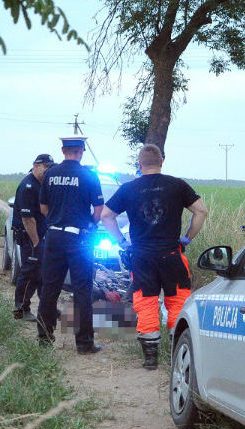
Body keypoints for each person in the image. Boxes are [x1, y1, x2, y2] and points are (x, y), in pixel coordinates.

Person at [101, 144, 208, 370]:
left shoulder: (128, 189)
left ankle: (150, 358)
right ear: (161, 162)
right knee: (177, 302)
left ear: (139, 165)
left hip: (141, 257)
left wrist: (122, 242)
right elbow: (201, 211)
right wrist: (187, 238)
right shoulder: (177, 185)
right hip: (172, 254)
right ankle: (179, 355)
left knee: (146, 302)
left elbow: (106, 215)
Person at [37, 136, 105, 354]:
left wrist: (57, 219)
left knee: (49, 289)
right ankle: (84, 343)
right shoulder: (89, 176)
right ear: (82, 150)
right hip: (79, 239)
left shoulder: (50, 174)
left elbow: (43, 208)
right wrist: (89, 225)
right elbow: (98, 210)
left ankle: (44, 339)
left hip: (54, 237)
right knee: (82, 290)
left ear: (62, 150)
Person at [12, 153, 54, 321]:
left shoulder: (41, 184)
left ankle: (47, 308)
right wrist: (36, 244)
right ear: (36, 166)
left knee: (43, 274)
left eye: (50, 168)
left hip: (40, 236)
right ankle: (21, 309)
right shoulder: (28, 187)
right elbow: (28, 219)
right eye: (46, 167)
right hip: (30, 237)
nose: (48, 171)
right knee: (30, 273)